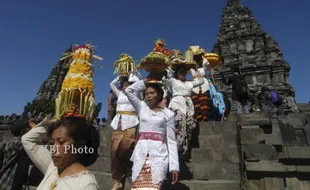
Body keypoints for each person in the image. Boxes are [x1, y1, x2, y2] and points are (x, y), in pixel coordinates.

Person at [123, 79, 179, 189]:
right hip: (140, 154)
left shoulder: (169, 114)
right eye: (146, 93)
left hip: (159, 156)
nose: (148, 96)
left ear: (159, 95)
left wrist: (174, 166)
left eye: (152, 93)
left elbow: (171, 141)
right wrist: (144, 82)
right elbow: (128, 91)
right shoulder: (141, 107)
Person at [21, 114, 100, 190]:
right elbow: (27, 140)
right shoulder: (53, 167)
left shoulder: (85, 185)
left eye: (61, 142)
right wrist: (51, 123)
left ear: (79, 145)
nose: (53, 149)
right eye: (52, 143)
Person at [163, 64, 204, 161]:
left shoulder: (189, 83)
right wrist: (171, 69)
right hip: (177, 105)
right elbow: (164, 80)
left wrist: (194, 72)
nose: (182, 73)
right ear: (176, 73)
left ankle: (184, 152)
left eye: (184, 72)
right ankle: (176, 152)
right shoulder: (173, 81)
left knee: (189, 129)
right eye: (179, 72)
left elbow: (201, 81)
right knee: (180, 127)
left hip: (188, 107)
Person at [109, 74, 140, 189]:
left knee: (126, 148)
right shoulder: (120, 94)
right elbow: (111, 84)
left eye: (127, 85)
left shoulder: (134, 94)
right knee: (113, 151)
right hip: (118, 123)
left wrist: (130, 73)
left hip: (130, 123)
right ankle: (116, 180)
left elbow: (137, 82)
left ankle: (127, 169)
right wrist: (120, 76)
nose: (124, 87)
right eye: (123, 85)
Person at [0, 119, 33, 190]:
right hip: (8, 184)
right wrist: (31, 123)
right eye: (27, 128)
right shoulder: (16, 142)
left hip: (13, 183)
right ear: (22, 131)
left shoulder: (13, 142)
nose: (29, 130)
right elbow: (35, 135)